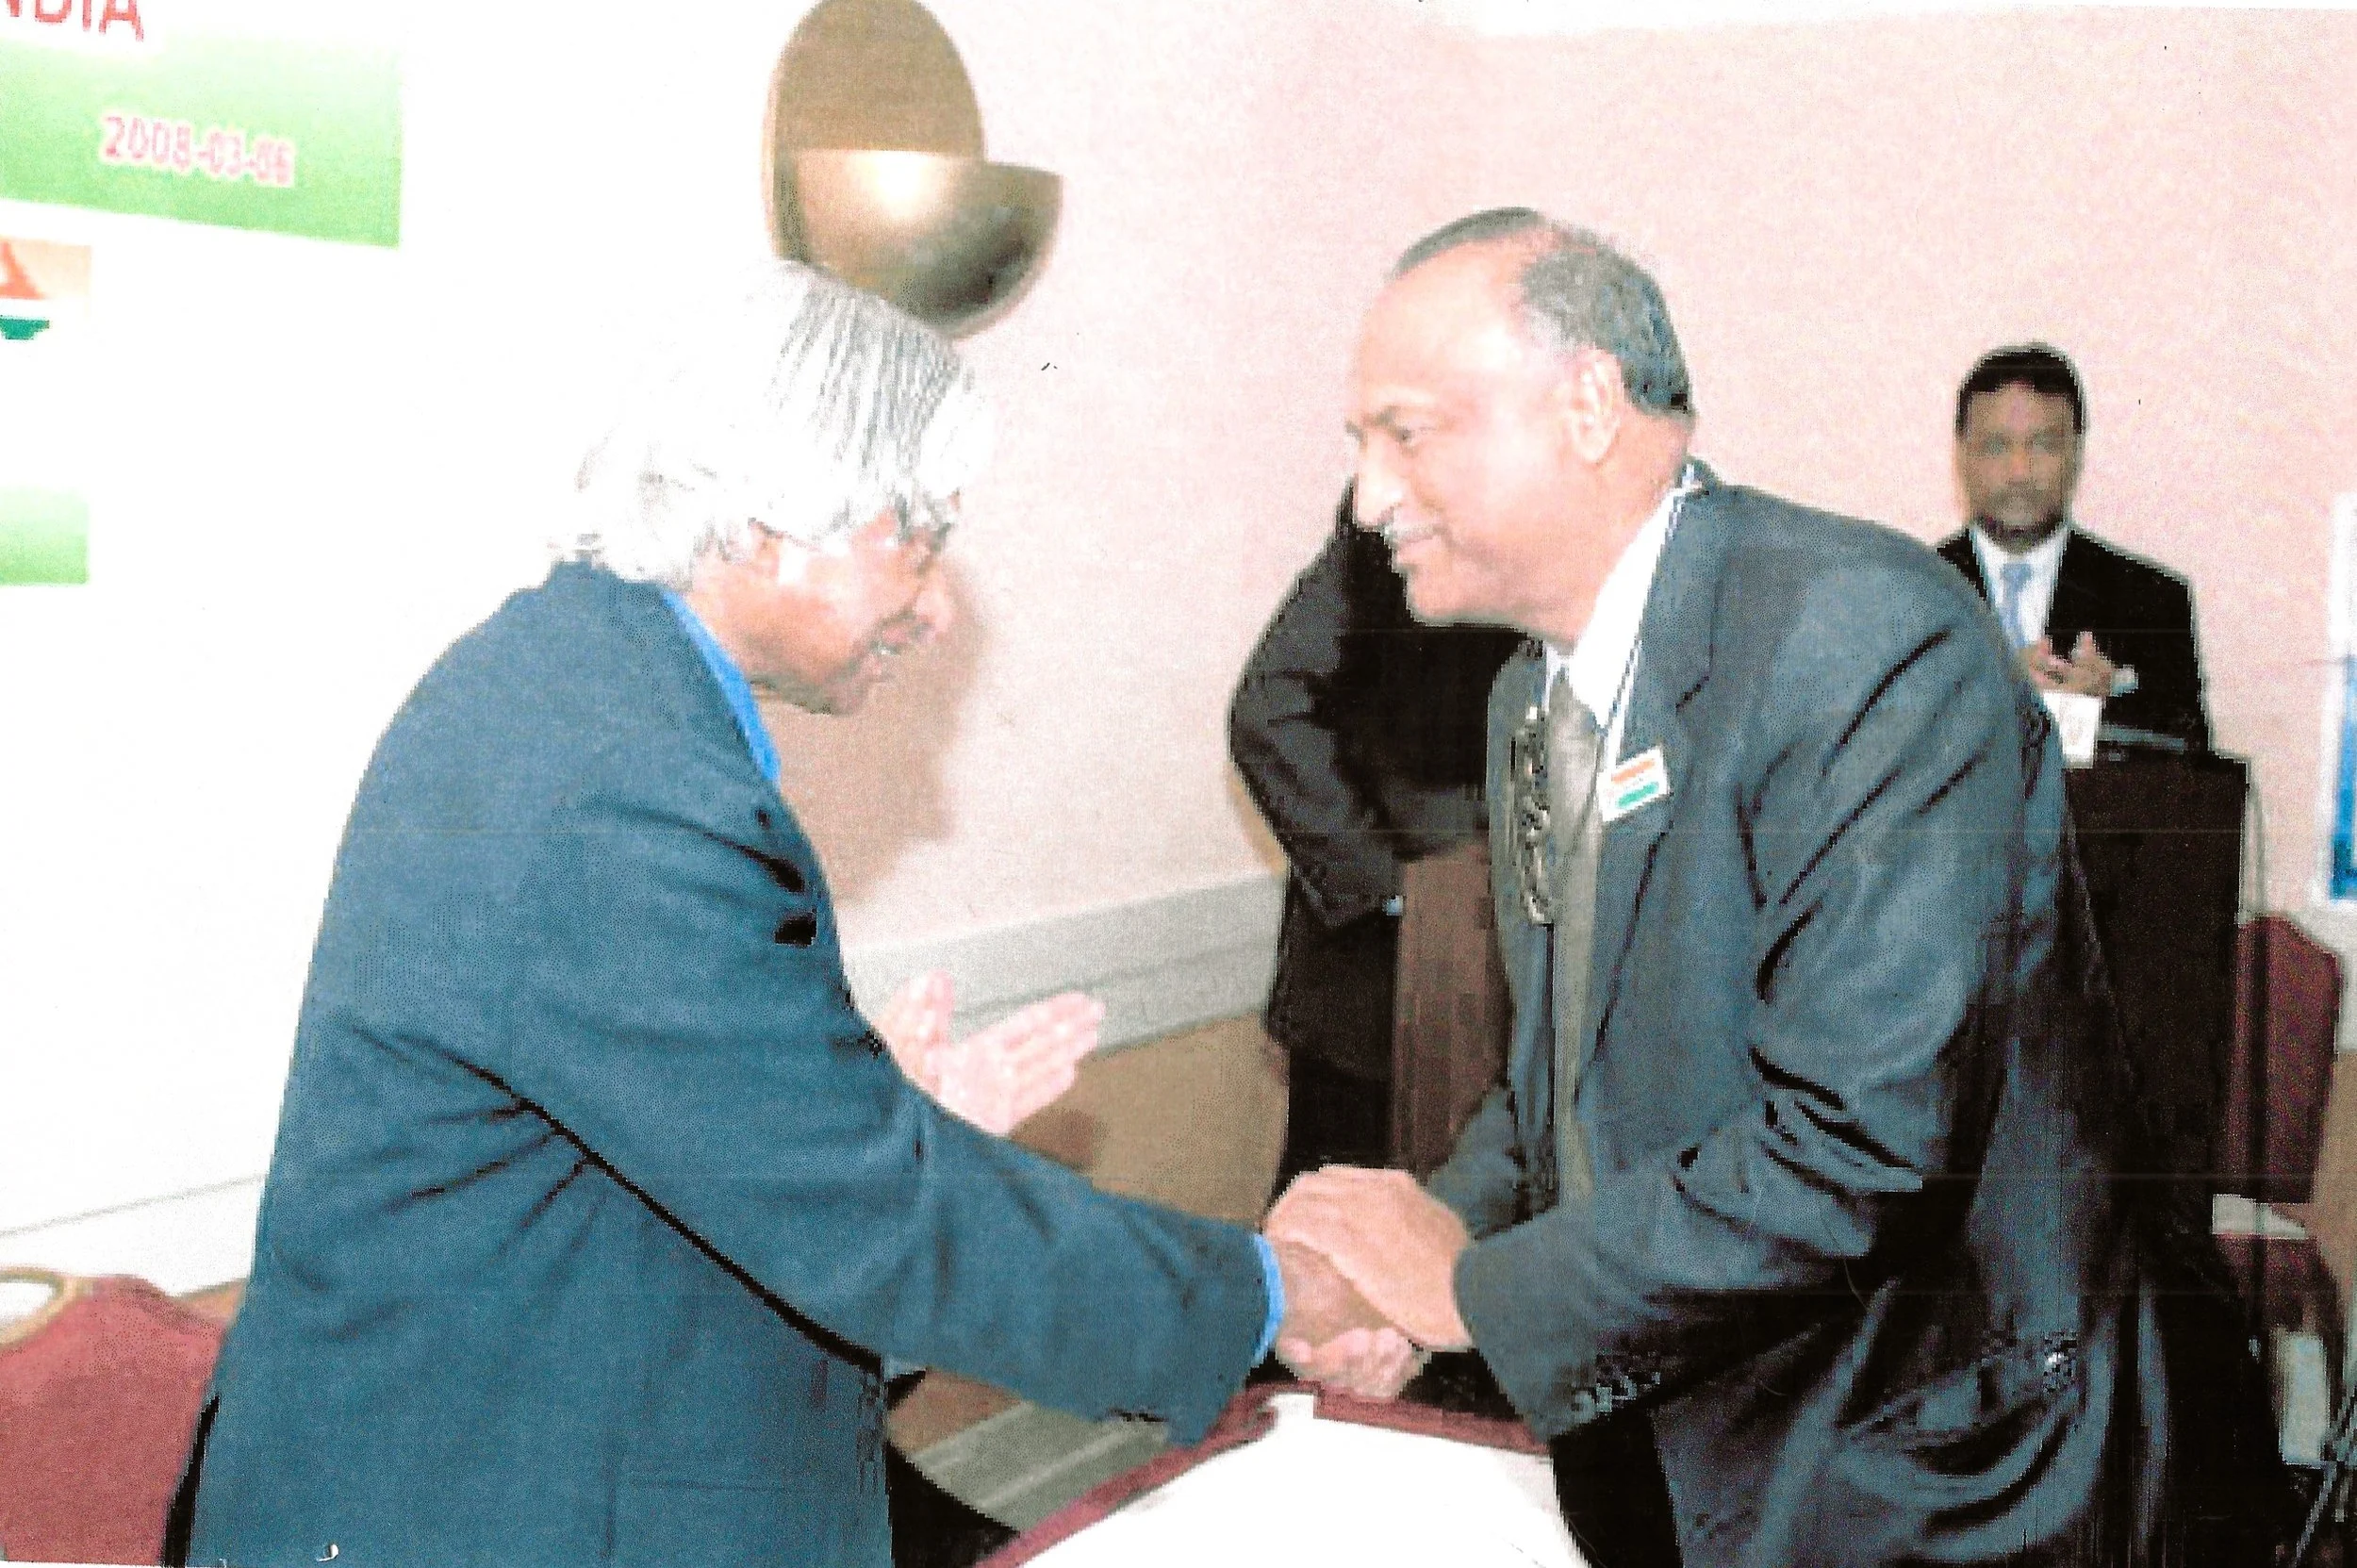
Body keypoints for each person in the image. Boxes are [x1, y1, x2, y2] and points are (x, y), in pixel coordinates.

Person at [170, 260, 1402, 1568]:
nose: (934, 603)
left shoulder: (586, 696)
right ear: (764, 518)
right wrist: (1268, 1291)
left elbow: (735, 1159)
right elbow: (875, 1210)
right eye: (914, 535)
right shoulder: (619, 785)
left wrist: (880, 1130)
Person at [1265, 210, 2283, 1565]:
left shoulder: (1858, 632)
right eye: (1360, 448)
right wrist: (1438, 1228)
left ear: (1584, 405)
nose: (1370, 498)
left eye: (1406, 433)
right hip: (1692, 1436)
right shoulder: (1528, 697)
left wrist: (1467, 1288)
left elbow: (1860, 1144)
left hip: (1930, 1473)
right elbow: (1554, 1073)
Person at [1230, 485, 1518, 1183]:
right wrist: (1390, 888)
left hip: (1504, 993)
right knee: (1327, 1250)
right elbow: (1271, 707)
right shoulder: (1397, 509)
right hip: (1369, 992)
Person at [1936, 342, 2211, 751]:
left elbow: (2189, 755)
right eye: (1997, 446)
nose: (2019, 471)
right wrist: (1999, 692)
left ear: (2077, 452)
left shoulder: (2152, 600)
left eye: (2043, 444)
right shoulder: (1909, 594)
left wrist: (2100, 704)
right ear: (1961, 455)